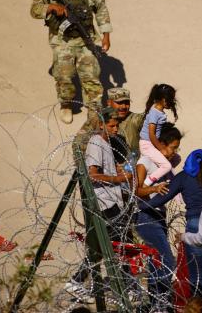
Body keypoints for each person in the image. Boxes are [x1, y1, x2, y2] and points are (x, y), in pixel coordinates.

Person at [30, 0, 112, 124]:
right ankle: (66, 104)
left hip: (85, 39)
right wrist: (50, 7)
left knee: (91, 75)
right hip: (62, 41)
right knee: (64, 75)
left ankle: (94, 109)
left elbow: (102, 11)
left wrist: (106, 36)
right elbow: (34, 10)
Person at [63, 112, 132, 302]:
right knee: (115, 245)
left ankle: (83, 281)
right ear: (101, 125)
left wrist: (115, 171)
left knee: (108, 246)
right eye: (112, 126)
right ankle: (80, 281)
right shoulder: (95, 143)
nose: (115, 129)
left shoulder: (105, 143)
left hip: (111, 200)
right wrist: (115, 178)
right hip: (105, 203)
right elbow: (92, 175)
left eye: (117, 126)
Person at [140, 149, 202, 296]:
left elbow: (162, 198)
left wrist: (140, 205)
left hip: (195, 225)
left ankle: (200, 308)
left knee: (197, 278)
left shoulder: (184, 176)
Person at [134, 123, 182, 308]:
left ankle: (155, 303)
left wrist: (167, 153)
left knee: (155, 262)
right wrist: (154, 188)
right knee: (167, 260)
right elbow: (136, 190)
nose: (174, 152)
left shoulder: (165, 164)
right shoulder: (145, 162)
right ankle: (161, 300)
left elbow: (175, 159)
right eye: (172, 147)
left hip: (158, 216)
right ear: (160, 143)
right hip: (145, 215)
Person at [73, 87, 144, 156]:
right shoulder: (99, 118)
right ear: (109, 103)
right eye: (119, 103)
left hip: (129, 164)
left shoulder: (135, 119)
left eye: (127, 103)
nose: (124, 106)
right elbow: (78, 142)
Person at [139, 83, 179, 186]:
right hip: (147, 145)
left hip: (151, 144)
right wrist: (161, 149)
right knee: (167, 166)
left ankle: (161, 175)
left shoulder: (159, 112)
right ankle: (146, 183)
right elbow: (151, 134)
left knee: (176, 158)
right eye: (170, 99)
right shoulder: (154, 112)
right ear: (163, 98)